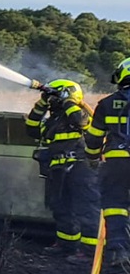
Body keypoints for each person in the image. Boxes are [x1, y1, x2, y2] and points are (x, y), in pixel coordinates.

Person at [26, 78, 99, 257]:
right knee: (60, 207)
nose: (53, 100)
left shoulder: (82, 113)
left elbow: (82, 123)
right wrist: (42, 102)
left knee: (86, 208)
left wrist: (68, 101)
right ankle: (66, 246)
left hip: (81, 168)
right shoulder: (54, 120)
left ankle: (89, 251)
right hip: (57, 169)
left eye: (56, 95)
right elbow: (32, 129)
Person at [85, 57, 130, 267]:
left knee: (114, 203)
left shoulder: (107, 103)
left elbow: (94, 137)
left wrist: (93, 158)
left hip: (117, 162)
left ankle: (119, 250)